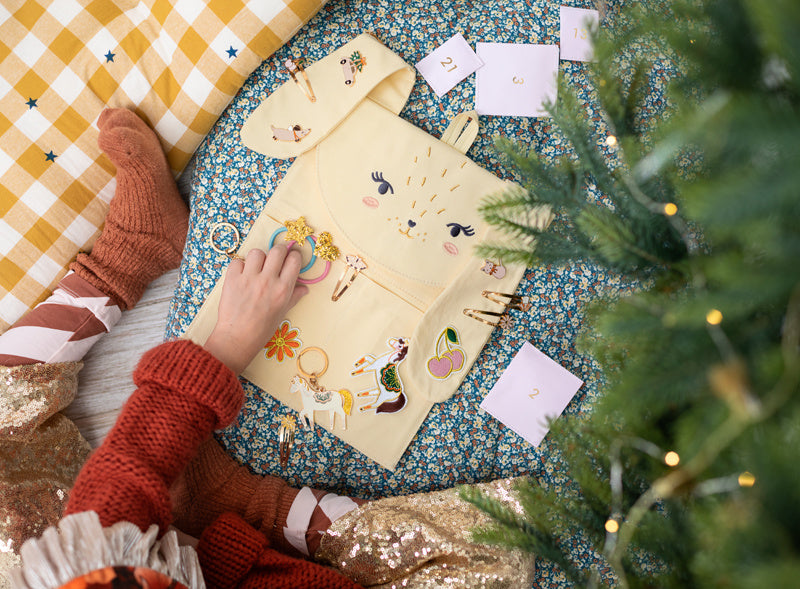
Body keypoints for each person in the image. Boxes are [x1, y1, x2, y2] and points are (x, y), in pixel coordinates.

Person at [3, 109, 534, 588]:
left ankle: (130, 257)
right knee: (500, 550)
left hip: (115, 554)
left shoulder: (100, 558)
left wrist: (227, 346)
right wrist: (264, 513)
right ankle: (242, 505)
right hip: (267, 564)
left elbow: (115, 499)